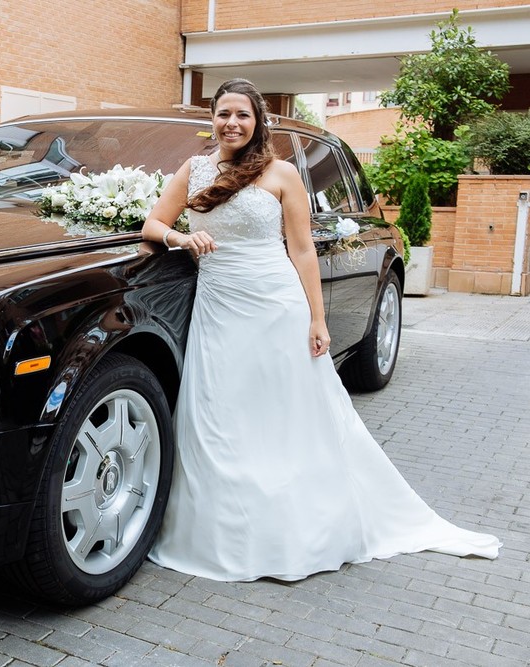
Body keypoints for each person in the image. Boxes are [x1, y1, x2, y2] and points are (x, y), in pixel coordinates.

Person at [143, 78, 500, 582]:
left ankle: (291, 526)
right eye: (223, 113)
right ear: (213, 119)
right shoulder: (194, 169)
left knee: (281, 413)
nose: (231, 123)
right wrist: (184, 235)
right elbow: (152, 225)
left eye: (242, 115)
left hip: (274, 306)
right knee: (216, 411)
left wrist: (316, 317)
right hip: (219, 306)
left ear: (257, 121)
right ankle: (221, 528)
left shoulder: (282, 173)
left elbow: (303, 249)